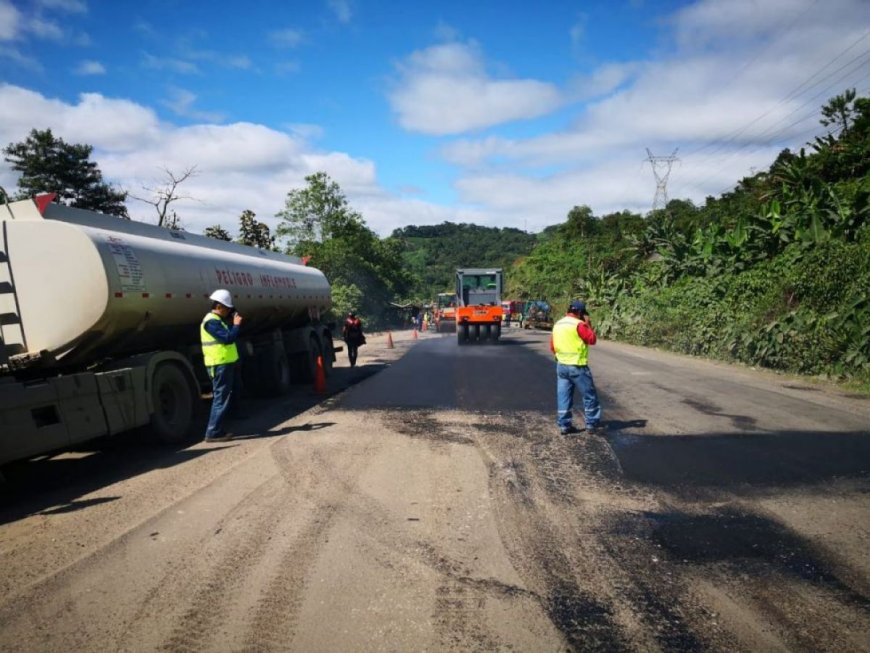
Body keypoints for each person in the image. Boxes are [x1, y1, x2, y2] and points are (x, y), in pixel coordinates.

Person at [550, 300, 603, 435]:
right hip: (577, 366)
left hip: (561, 366)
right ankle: (592, 424)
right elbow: (592, 339)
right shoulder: (579, 324)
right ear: (580, 312)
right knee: (589, 395)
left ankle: (564, 425)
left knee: (563, 396)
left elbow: (552, 346)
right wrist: (588, 324)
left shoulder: (558, 324)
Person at [201, 289, 242, 442]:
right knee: (220, 399)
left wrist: (232, 322)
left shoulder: (217, 321)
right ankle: (213, 432)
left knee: (222, 397)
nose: (229, 312)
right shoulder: (211, 322)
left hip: (223, 364)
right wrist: (236, 325)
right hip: (219, 365)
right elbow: (228, 339)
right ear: (219, 307)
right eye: (227, 308)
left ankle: (216, 429)